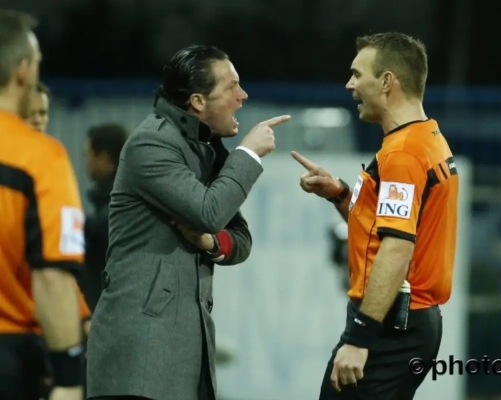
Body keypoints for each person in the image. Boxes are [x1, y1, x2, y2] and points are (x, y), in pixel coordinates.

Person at [85, 44, 291, 400]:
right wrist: (248, 154)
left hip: (180, 354)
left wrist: (210, 242)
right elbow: (209, 212)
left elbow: (239, 238)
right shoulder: (153, 143)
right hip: (140, 358)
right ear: (197, 101)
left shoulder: (203, 151)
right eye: (231, 87)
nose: (242, 96)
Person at [292, 32, 459, 400]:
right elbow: (384, 228)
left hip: (391, 326)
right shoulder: (426, 138)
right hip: (406, 323)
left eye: (357, 74)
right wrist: (340, 194)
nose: (349, 84)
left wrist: (359, 337)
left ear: (386, 82)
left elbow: (397, 248)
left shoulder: (403, 153)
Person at [0, 9, 85, 400]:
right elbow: (53, 276)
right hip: (11, 356)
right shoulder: (40, 158)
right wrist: (68, 377)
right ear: (22, 71)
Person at [82, 123, 128, 312]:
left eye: (88, 155)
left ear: (105, 159)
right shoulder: (122, 198)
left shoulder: (116, 208)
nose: (86, 162)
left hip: (108, 311)